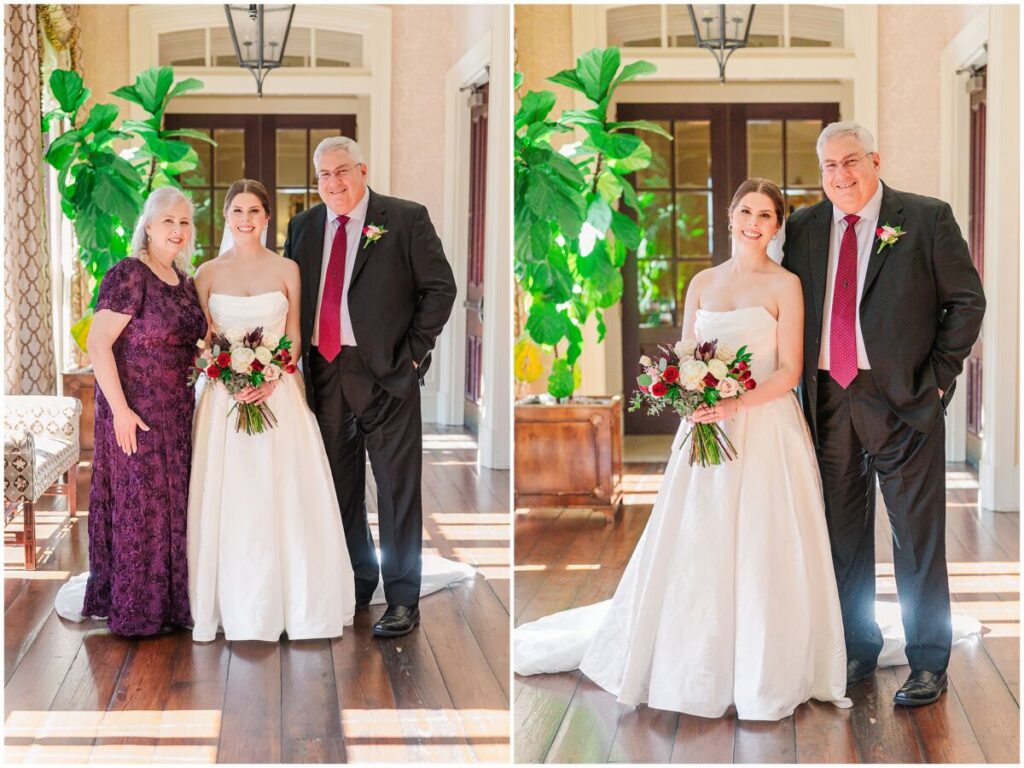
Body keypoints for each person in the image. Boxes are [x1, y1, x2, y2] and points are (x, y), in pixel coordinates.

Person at [515, 179, 851, 720]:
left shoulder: (786, 285)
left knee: (764, 541)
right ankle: (690, 654)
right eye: (746, 211)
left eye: (766, 215)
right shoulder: (703, 282)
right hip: (703, 425)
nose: (753, 222)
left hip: (764, 428)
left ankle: (766, 666)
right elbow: (688, 355)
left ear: (777, 224)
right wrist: (689, 395)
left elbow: (789, 371)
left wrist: (735, 405)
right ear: (730, 215)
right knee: (700, 535)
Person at [782, 122, 985, 706]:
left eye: (850, 162)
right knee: (842, 534)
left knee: (916, 536)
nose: (840, 176)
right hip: (827, 399)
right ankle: (856, 647)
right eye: (828, 167)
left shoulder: (925, 218)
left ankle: (927, 662)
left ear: (874, 158)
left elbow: (966, 302)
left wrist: (937, 380)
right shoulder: (803, 228)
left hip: (904, 400)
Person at [283, 137, 458, 637]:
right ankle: (357, 581)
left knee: (397, 489)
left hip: (388, 373)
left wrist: (413, 354)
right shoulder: (303, 227)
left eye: (341, 172)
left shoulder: (404, 219)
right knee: (340, 488)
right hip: (324, 370)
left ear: (362, 169)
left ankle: (403, 598)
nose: (333, 183)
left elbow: (439, 289)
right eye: (323, 176)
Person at [186, 179, 356, 642]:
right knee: (231, 498)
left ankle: (296, 604)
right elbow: (204, 340)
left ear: (266, 217)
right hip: (224, 401)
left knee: (284, 495)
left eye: (254, 211)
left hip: (278, 392)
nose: (245, 219)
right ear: (226, 215)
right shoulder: (206, 274)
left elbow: (296, 336)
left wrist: (271, 375)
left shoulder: (288, 269)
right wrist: (227, 376)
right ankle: (229, 603)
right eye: (237, 210)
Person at [74, 186, 207, 636]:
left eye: (184, 222)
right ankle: (136, 611)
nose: (177, 229)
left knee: (175, 509)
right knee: (141, 510)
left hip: (178, 415)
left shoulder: (186, 284)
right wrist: (122, 412)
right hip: (136, 414)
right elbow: (97, 343)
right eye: (168, 220)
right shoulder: (129, 274)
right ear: (147, 226)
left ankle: (171, 606)